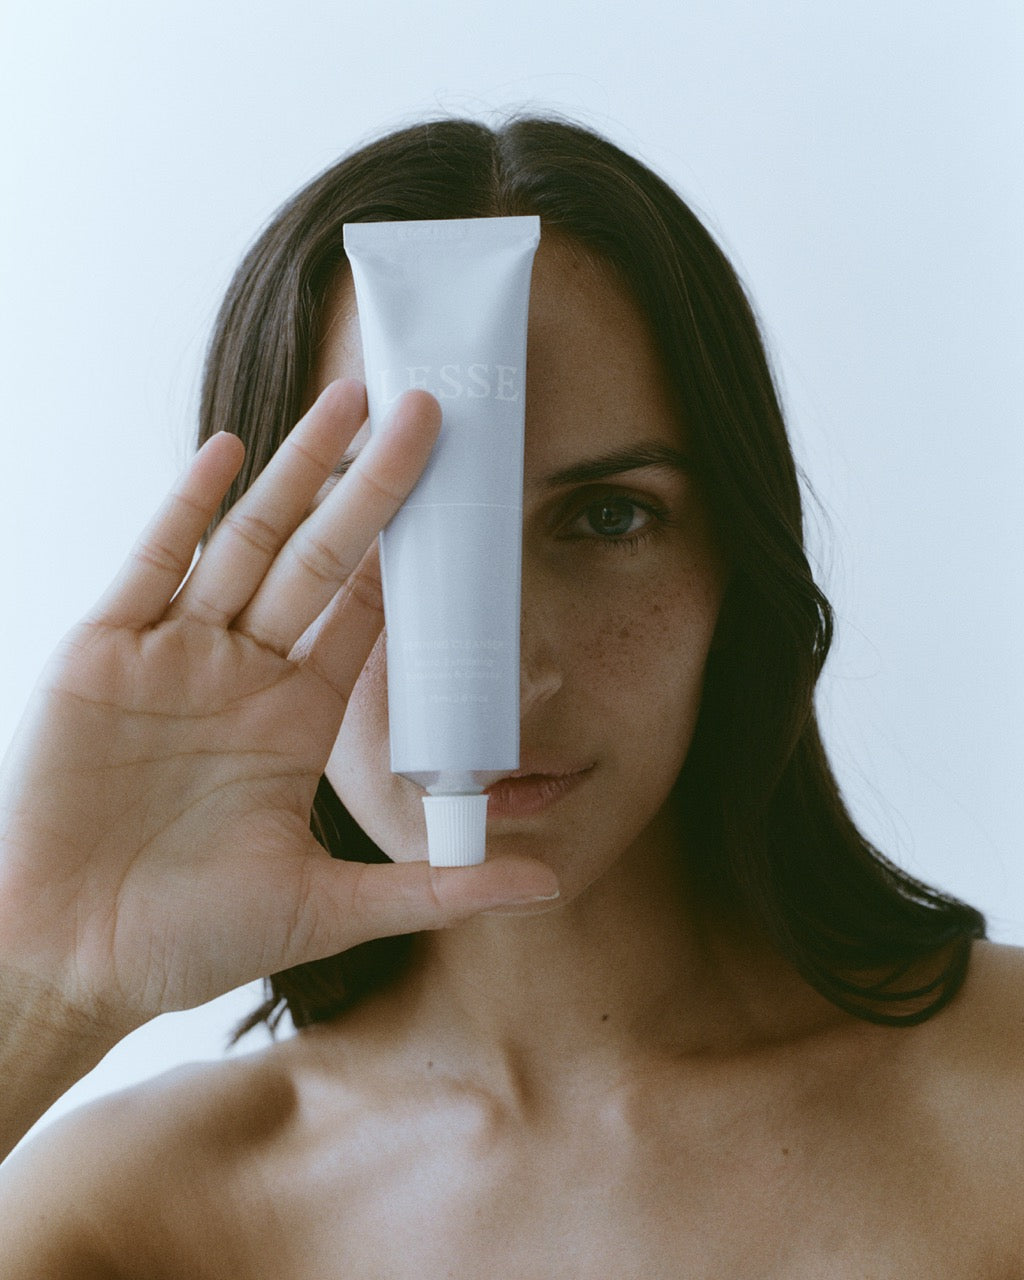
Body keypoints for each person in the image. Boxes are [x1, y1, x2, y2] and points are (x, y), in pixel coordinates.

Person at [0, 114, 1020, 1277]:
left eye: (607, 517)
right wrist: (38, 988)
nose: (513, 661)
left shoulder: (1004, 1107)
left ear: (733, 563)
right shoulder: (132, 1214)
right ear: (259, 564)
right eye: (389, 524)